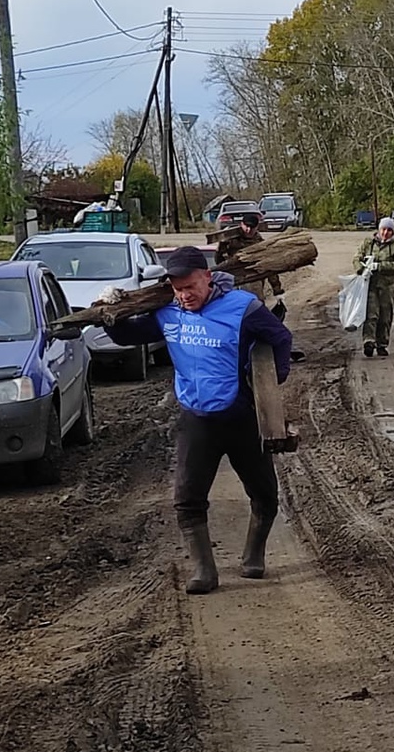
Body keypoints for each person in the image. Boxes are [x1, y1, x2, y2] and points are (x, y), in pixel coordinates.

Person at [104, 246, 292, 595]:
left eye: (190, 286)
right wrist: (109, 312)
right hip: (196, 419)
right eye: (177, 288)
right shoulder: (166, 311)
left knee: (265, 493)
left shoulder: (242, 308)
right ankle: (205, 570)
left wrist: (272, 381)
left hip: (240, 416)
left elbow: (280, 338)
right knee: (187, 498)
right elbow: (127, 336)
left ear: (208, 277)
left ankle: (253, 555)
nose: (184, 295)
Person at [353, 216, 394, 358]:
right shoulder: (368, 243)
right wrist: (361, 269)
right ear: (379, 229)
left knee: (385, 316)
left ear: (393, 231)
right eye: (383, 229)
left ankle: (382, 344)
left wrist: (379, 266)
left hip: (387, 286)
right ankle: (369, 342)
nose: (385, 232)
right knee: (371, 314)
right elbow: (357, 258)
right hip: (370, 284)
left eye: (389, 230)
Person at [214, 212, 285, 301]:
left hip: (253, 282)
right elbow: (219, 262)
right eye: (246, 226)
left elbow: (269, 267)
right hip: (233, 282)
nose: (248, 230)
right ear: (241, 224)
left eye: (252, 227)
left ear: (257, 227)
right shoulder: (230, 241)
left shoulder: (260, 244)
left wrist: (277, 290)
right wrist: (221, 246)